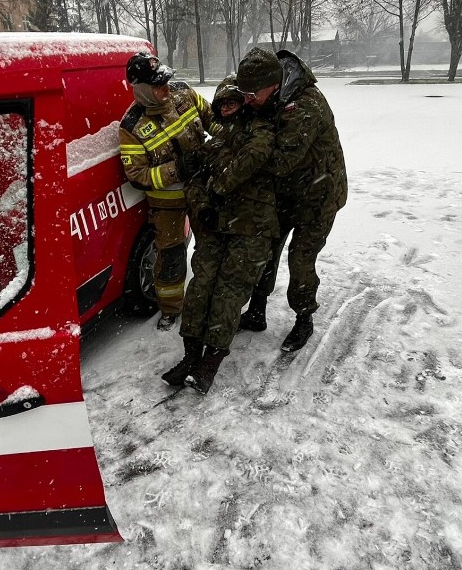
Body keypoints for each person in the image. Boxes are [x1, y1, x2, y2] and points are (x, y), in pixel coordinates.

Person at [161, 78, 278, 394]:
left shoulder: (263, 137)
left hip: (251, 229)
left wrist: (219, 190)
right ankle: (190, 356)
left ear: (244, 105)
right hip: (216, 229)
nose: (227, 110)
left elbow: (251, 175)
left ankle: (209, 364)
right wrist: (203, 208)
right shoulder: (211, 146)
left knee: (228, 292)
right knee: (200, 288)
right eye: (222, 105)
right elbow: (195, 184)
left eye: (233, 103)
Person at [235, 47, 348, 352]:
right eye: (243, 93)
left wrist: (238, 160)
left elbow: (279, 161)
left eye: (252, 94)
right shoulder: (270, 95)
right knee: (266, 248)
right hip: (287, 192)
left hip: (319, 197)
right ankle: (257, 311)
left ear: (273, 85)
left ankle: (303, 318)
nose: (248, 99)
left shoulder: (306, 107)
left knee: (300, 258)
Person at [119, 52, 218, 330]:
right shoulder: (131, 127)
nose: (165, 87)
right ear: (141, 90)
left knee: (211, 247)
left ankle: (210, 299)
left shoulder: (182, 92)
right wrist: (177, 169)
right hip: (167, 202)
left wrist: (225, 145)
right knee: (170, 256)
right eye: (157, 84)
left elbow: (212, 118)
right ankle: (171, 309)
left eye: (165, 80)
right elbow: (137, 176)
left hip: (204, 189)